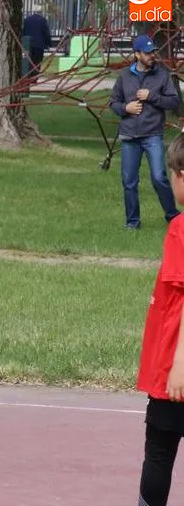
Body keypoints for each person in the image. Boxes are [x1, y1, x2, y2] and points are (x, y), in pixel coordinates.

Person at [137, 134, 184, 506]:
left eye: (171, 174)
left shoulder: (180, 229)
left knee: (159, 449)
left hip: (175, 364)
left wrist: (179, 366)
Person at [109, 34, 181, 229]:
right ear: (137, 54)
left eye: (153, 52)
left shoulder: (162, 75)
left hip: (152, 134)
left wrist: (152, 96)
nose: (152, 56)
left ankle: (173, 217)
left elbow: (173, 101)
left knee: (159, 177)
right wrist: (126, 108)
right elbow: (113, 102)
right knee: (129, 181)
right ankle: (132, 222)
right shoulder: (124, 76)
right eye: (148, 53)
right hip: (129, 136)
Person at [22, 6, 52, 79]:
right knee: (37, 62)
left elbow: (23, 31)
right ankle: (34, 78)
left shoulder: (27, 20)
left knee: (28, 61)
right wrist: (49, 44)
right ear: (41, 12)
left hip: (28, 44)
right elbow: (46, 33)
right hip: (39, 45)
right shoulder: (42, 20)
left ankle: (27, 77)